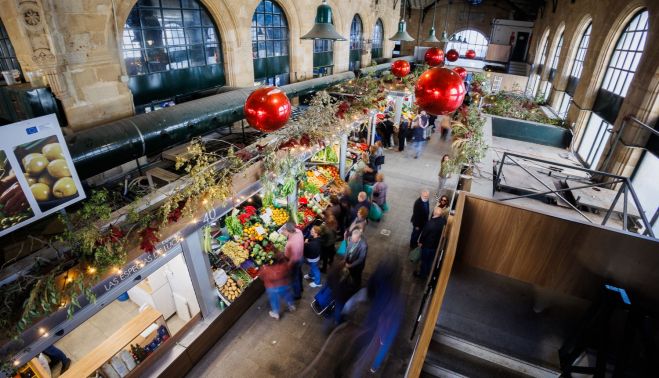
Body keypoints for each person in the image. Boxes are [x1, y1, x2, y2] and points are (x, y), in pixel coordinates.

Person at [259, 253, 295, 319]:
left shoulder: (265, 269)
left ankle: (276, 313)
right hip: (284, 284)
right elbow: (289, 270)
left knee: (274, 300)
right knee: (287, 295)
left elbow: (261, 276)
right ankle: (291, 306)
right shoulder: (283, 265)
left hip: (272, 288)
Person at [416, 207, 448, 278]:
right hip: (435, 245)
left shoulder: (430, 223)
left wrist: (420, 242)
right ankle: (427, 272)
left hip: (427, 245)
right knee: (430, 261)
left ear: (434, 213)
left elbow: (424, 234)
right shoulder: (443, 221)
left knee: (424, 260)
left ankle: (422, 274)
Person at [282, 222, 304, 300]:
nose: (283, 233)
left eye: (283, 231)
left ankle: (297, 295)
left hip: (295, 261)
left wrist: (288, 265)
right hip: (301, 256)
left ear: (288, 231)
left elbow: (290, 257)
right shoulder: (299, 231)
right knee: (300, 272)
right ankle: (301, 287)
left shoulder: (290, 243)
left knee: (294, 278)